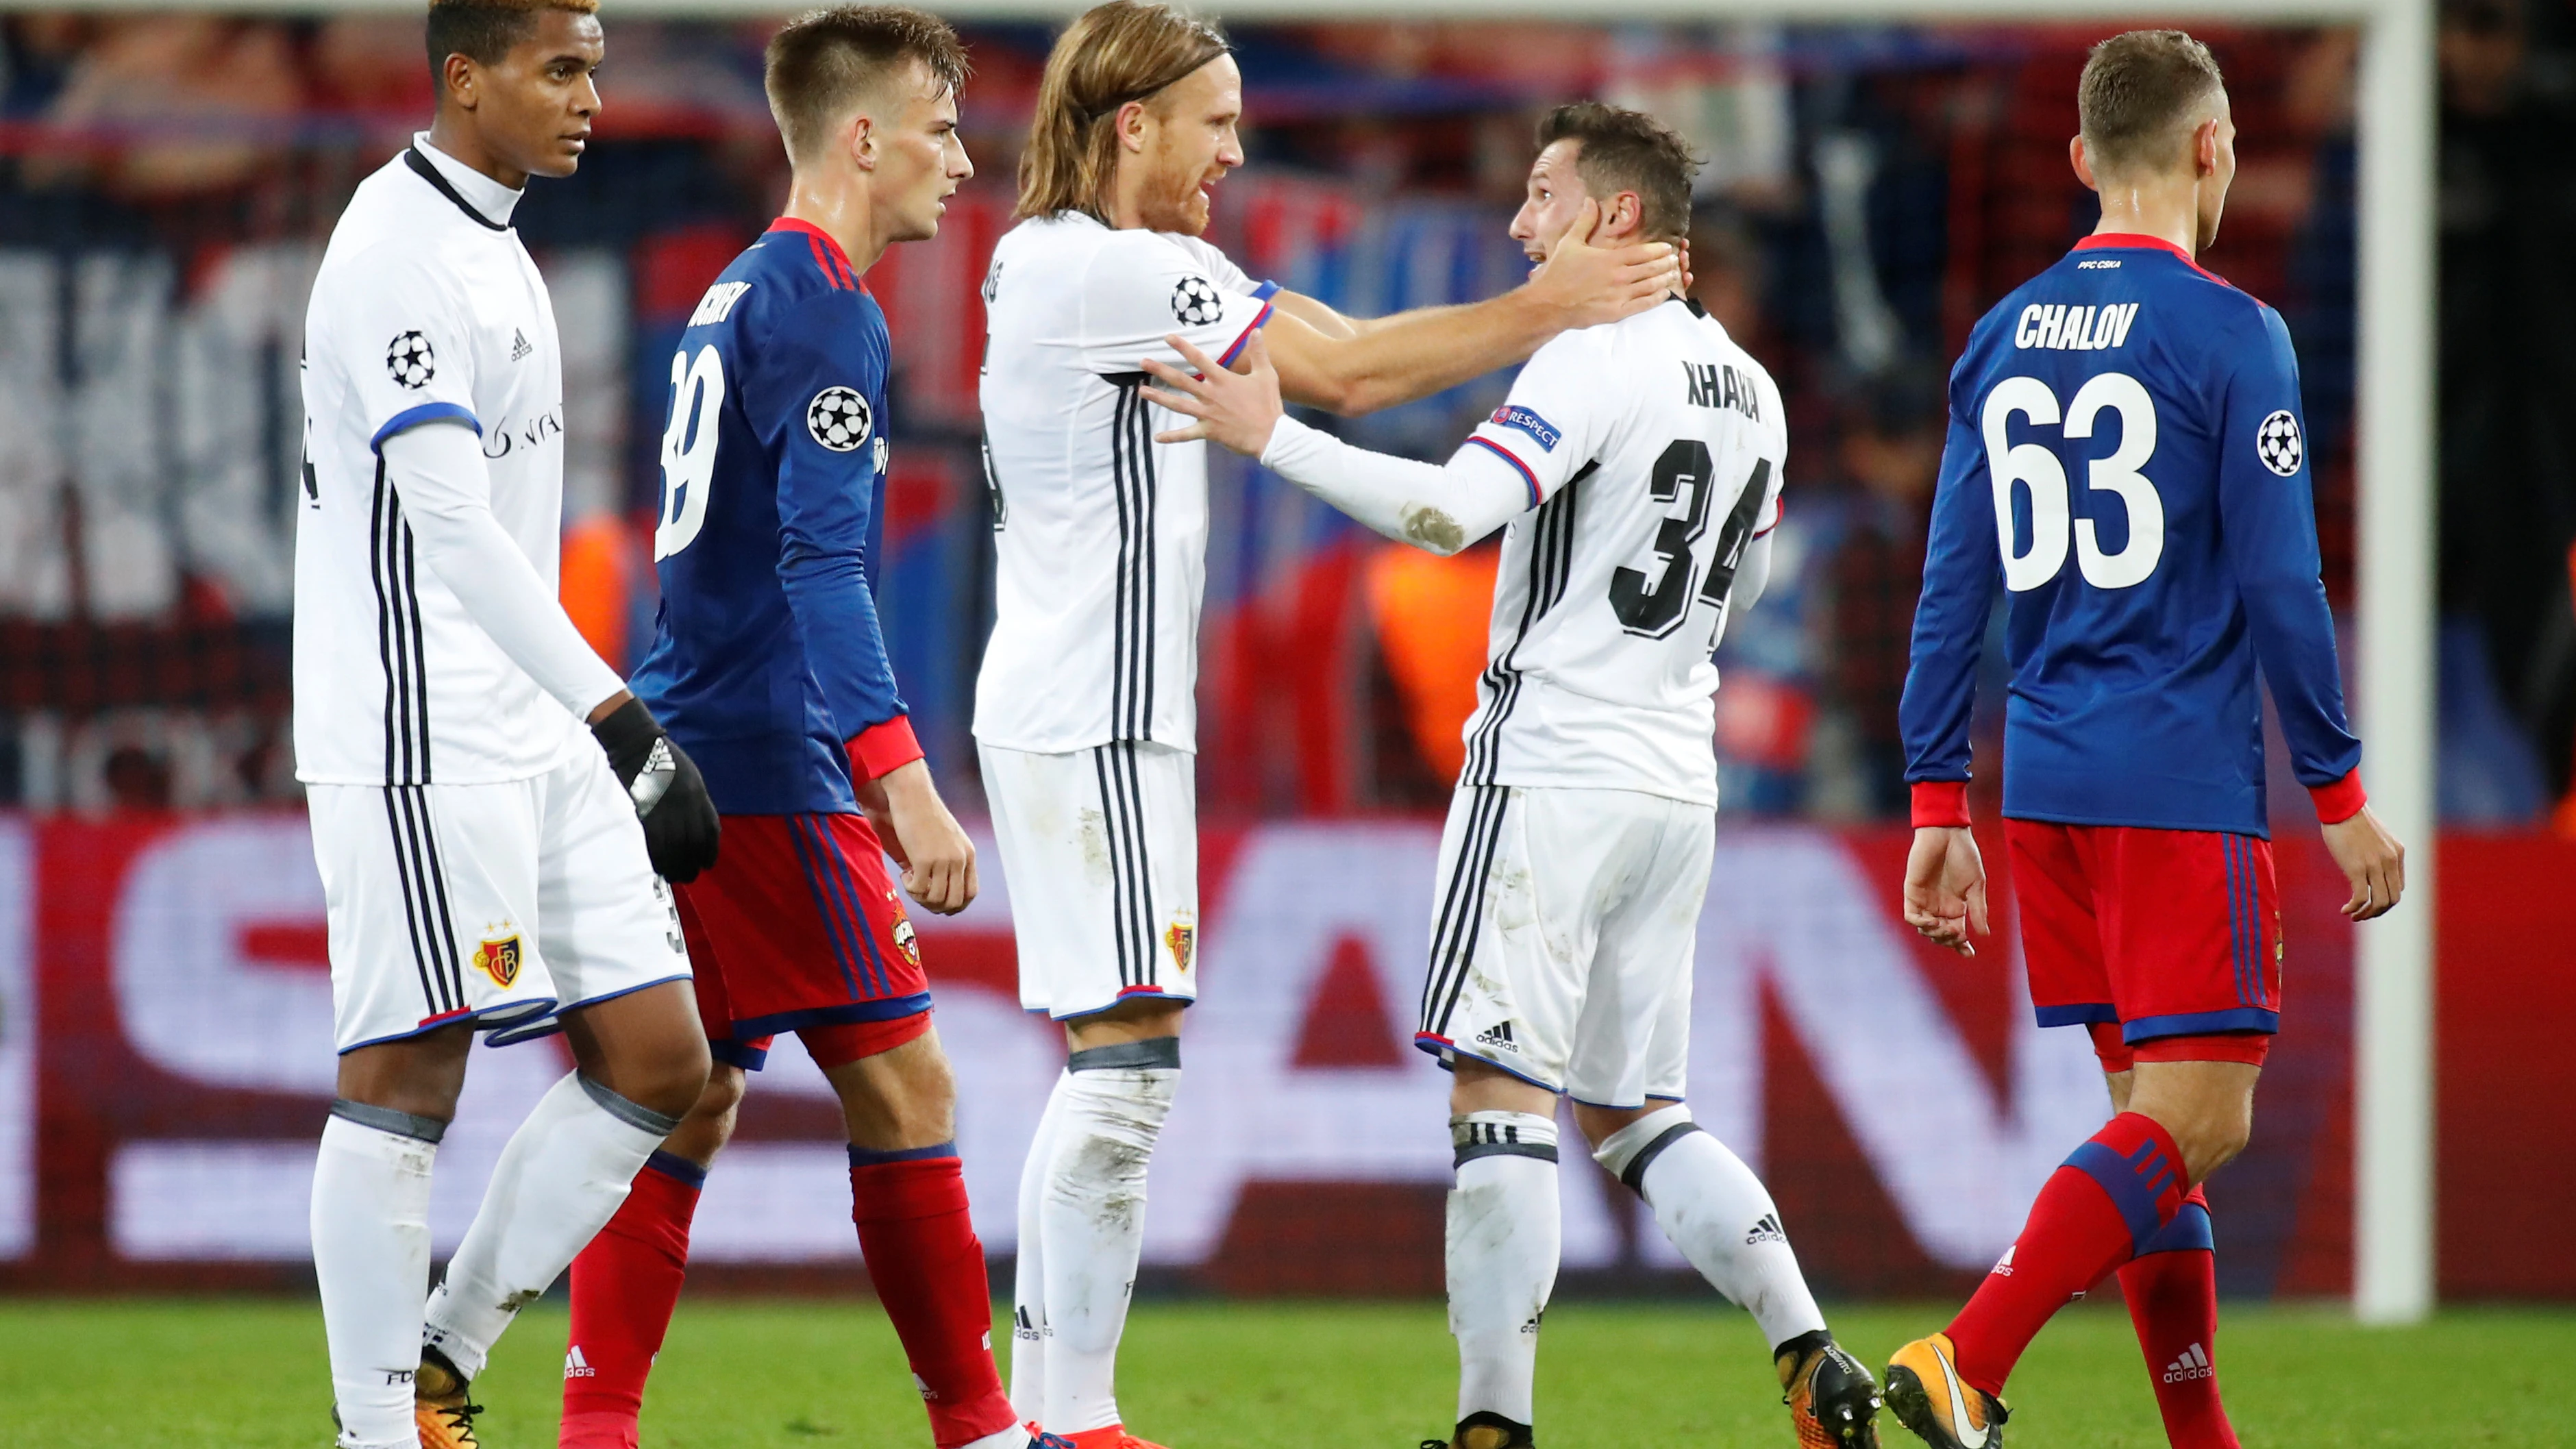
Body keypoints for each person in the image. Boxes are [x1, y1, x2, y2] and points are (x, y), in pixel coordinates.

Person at [976, 8, 1685, 1446]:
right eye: (1217, 121)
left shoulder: (1084, 262)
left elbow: (1331, 346)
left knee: (1109, 1060)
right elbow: (1349, 371)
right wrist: (1559, 305)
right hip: (1092, 715)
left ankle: (1048, 1408)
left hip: (1082, 707)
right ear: (1134, 128)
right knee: (1124, 1066)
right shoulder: (1119, 271)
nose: (1237, 149)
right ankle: (1071, 1418)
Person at [1140, 101, 1883, 1449]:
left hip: (1550, 763)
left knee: (1496, 1088)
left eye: (1540, 196)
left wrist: (1271, 437)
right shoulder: (1755, 389)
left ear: (1611, 216)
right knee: (1640, 1108)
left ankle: (1493, 1429)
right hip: (1674, 775)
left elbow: (1445, 514)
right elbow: (1746, 583)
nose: (1516, 224)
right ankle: (1809, 1348)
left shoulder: (1581, 357)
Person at [1883, 30, 2407, 1449]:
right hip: (2174, 780)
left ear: (2073, 163)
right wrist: (2338, 788)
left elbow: (1949, 587)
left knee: (2150, 1127)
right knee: (2204, 1117)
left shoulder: (1997, 335)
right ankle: (1965, 1360)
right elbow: (2283, 584)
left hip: (2042, 787)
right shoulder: (2234, 333)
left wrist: (1937, 799)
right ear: (2209, 148)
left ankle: (2199, 1439)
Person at [555, 12, 1051, 1449]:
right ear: (861, 138)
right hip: (774, 763)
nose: (963, 161)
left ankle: (595, 1425)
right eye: (943, 130)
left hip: (690, 744)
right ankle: (976, 1422)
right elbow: (821, 566)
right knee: (905, 1082)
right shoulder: (830, 307)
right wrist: (903, 782)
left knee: (690, 1091)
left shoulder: (730, 294)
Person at [297, 1, 721, 1445]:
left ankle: (440, 1356)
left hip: (526, 721)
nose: (588, 96)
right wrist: (619, 712)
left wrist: (581, 718)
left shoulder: (496, 232)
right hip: (421, 719)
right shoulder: (399, 254)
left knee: (666, 1063)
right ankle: (373, 1431)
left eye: (594, 69)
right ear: (464, 77)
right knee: (408, 1072)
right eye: (558, 70)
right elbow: (452, 529)